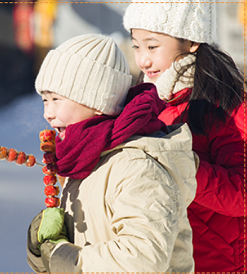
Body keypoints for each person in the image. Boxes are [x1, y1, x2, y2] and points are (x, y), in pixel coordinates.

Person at [26, 34, 199, 272]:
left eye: (56, 99)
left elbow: (144, 258)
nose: (48, 113)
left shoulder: (136, 166)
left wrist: (66, 258)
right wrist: (44, 252)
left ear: (98, 101)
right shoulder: (86, 162)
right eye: (45, 100)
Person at [124, 1, 246, 271]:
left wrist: (185, 167)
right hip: (166, 258)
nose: (143, 59)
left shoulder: (222, 103)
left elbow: (242, 194)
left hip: (214, 261)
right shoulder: (146, 104)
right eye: (136, 45)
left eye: (152, 46)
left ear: (191, 41)